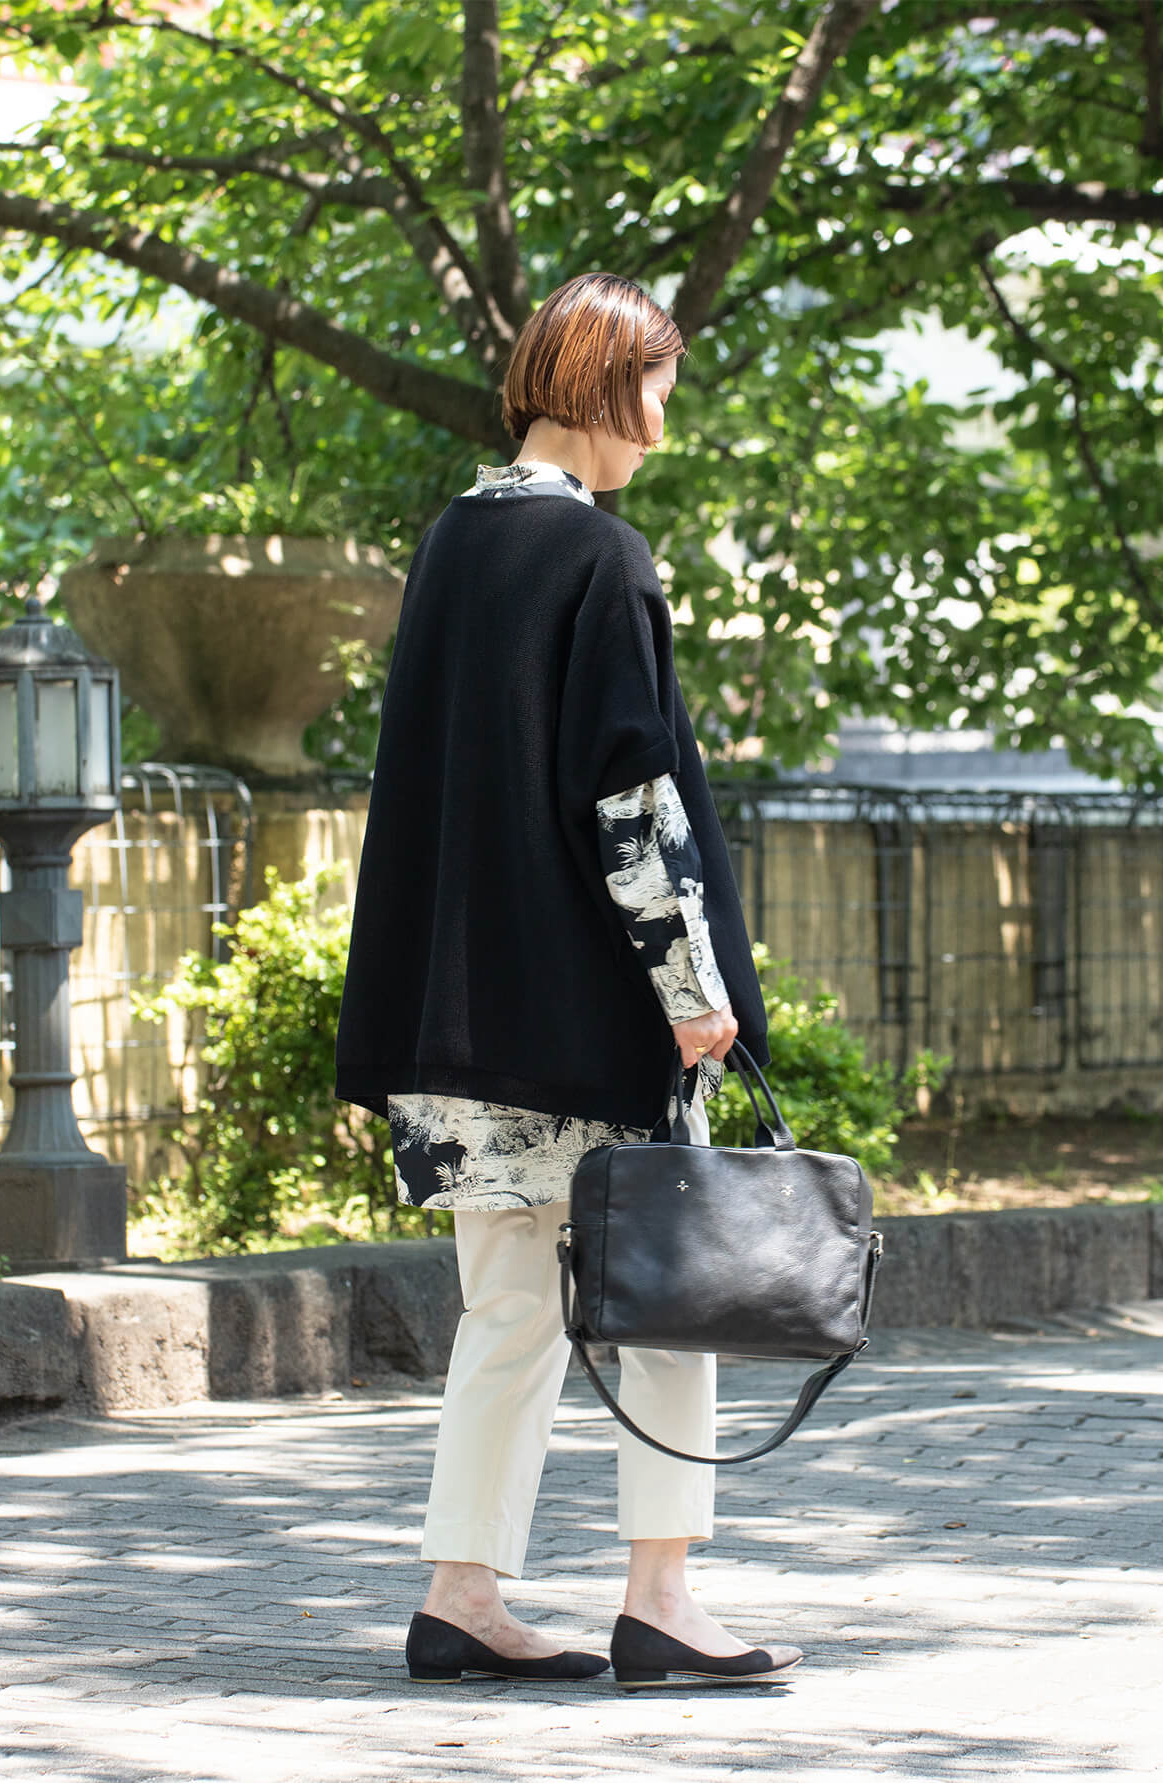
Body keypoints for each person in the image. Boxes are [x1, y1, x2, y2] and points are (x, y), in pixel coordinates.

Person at [336, 272, 801, 1690]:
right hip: (591, 1017)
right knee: (670, 1296)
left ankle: (461, 1595)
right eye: (658, 391)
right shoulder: (602, 558)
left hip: (464, 1022)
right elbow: (631, 803)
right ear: (605, 385)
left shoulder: (452, 545)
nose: (664, 426)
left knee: (508, 1314)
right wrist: (694, 991)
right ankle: (661, 1599)